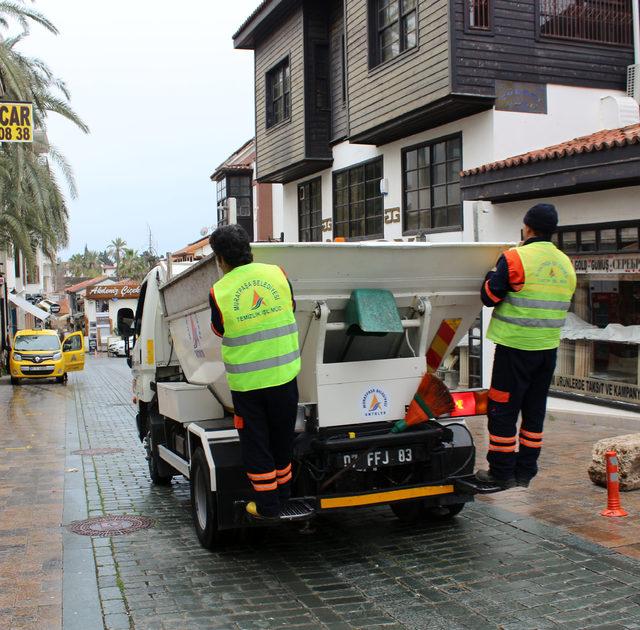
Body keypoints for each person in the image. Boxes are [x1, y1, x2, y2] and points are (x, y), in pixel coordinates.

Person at [476, 203, 576, 489]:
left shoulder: (515, 258)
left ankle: (501, 472)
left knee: (502, 410)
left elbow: (489, 297)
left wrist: (490, 275)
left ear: (527, 227)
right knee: (534, 411)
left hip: (514, 349)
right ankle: (525, 472)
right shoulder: (566, 263)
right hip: (547, 351)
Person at [208, 225, 300, 520]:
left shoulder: (219, 291)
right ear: (249, 251)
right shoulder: (277, 273)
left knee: (257, 444)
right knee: (282, 439)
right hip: (285, 376)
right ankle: (283, 496)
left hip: (248, 386)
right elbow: (291, 307)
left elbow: (218, 329)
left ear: (221, 259)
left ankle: (267, 506)